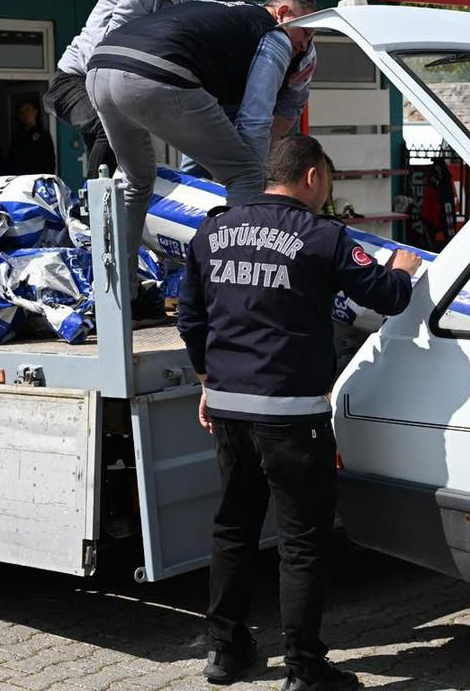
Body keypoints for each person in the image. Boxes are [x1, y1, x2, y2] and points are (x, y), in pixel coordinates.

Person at [177, 134, 421, 691]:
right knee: (302, 544)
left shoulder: (212, 231)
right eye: (328, 181)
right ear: (312, 177)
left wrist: (207, 379)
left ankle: (224, 652)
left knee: (233, 530)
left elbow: (191, 315)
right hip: (292, 416)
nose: (328, 192)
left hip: (230, 410)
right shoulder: (321, 236)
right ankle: (305, 671)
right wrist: (402, 267)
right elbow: (387, 296)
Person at [87, 0, 319, 280]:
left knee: (137, 180)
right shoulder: (275, 33)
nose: (305, 44)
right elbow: (256, 118)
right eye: (306, 32)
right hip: (156, 74)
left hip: (99, 69)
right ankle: (236, 292)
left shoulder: (225, 11)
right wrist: (256, 178)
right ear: (283, 12)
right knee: (247, 174)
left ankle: (115, 295)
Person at [44, 0, 229, 179]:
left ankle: (116, 207)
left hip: (109, 85)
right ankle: (94, 213)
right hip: (76, 81)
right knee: (111, 130)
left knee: (126, 147)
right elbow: (112, 51)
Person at [6, 99, 54, 174]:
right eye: (22, 112)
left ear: (35, 112)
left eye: (28, 110)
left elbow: (50, 161)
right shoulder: (17, 137)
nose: (25, 114)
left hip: (39, 180)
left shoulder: (44, 135)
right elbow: (11, 161)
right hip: (20, 180)